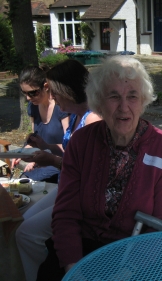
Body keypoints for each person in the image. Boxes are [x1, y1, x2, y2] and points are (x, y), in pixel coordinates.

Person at [36, 56, 162, 281]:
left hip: (137, 253)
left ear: (142, 101)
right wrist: (73, 268)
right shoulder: (81, 143)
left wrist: (127, 272)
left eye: (132, 96)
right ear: (99, 102)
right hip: (83, 250)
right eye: (114, 96)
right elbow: (66, 213)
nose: (124, 107)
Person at [15, 59, 101, 281]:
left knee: (26, 234)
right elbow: (70, 151)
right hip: (68, 187)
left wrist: (51, 160)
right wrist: (45, 147)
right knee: (23, 220)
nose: (51, 97)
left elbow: (88, 173)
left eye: (54, 92)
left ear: (68, 90)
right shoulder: (75, 116)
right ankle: (47, 262)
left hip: (80, 196)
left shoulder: (93, 120)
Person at [12, 66, 70, 182]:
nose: (28, 98)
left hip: (59, 163)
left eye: (33, 93)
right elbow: (35, 141)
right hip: (41, 161)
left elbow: (70, 146)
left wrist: (44, 152)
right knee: (21, 185)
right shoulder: (33, 106)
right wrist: (22, 152)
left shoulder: (61, 107)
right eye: (25, 93)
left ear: (46, 87)